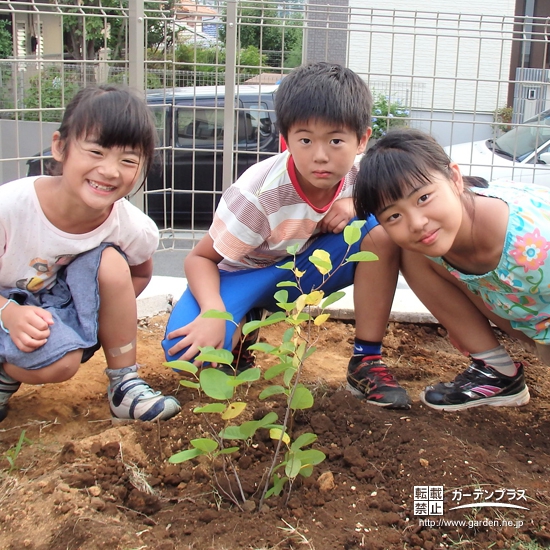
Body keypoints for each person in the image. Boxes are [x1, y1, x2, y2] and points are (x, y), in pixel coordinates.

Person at [162, 62, 411, 410]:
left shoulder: (366, 174)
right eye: (305, 140)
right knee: (186, 356)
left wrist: (357, 203)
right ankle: (243, 323)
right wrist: (213, 311)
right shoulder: (258, 192)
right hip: (241, 276)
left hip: (302, 270)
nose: (320, 155)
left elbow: (411, 204)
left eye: (336, 140)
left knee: (380, 236)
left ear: (362, 140)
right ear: (286, 139)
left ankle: (366, 360)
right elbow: (200, 258)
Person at [0, 84, 181, 423]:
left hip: (50, 305)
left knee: (111, 264)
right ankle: (4, 375)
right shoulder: (10, 208)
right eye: (96, 152)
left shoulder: (131, 227)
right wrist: (9, 314)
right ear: (60, 147)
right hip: (3, 304)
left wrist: (97, 317)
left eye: (127, 160)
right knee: (55, 358)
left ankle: (124, 384)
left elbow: (138, 274)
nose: (110, 170)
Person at [354, 127, 548, 411]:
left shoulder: (537, 239)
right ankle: (495, 371)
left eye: (423, 198)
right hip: (532, 322)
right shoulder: (435, 236)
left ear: (454, 178)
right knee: (413, 252)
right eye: (394, 215)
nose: (417, 223)